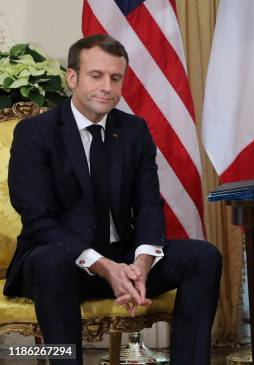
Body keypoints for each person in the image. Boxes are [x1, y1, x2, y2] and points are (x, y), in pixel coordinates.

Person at [4, 34, 222, 365]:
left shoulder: (134, 130)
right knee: (52, 260)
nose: (107, 86)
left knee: (203, 257)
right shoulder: (36, 132)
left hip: (122, 258)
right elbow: (38, 220)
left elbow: (149, 205)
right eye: (96, 75)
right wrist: (103, 266)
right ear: (72, 77)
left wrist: (141, 264)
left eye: (115, 77)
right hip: (62, 262)